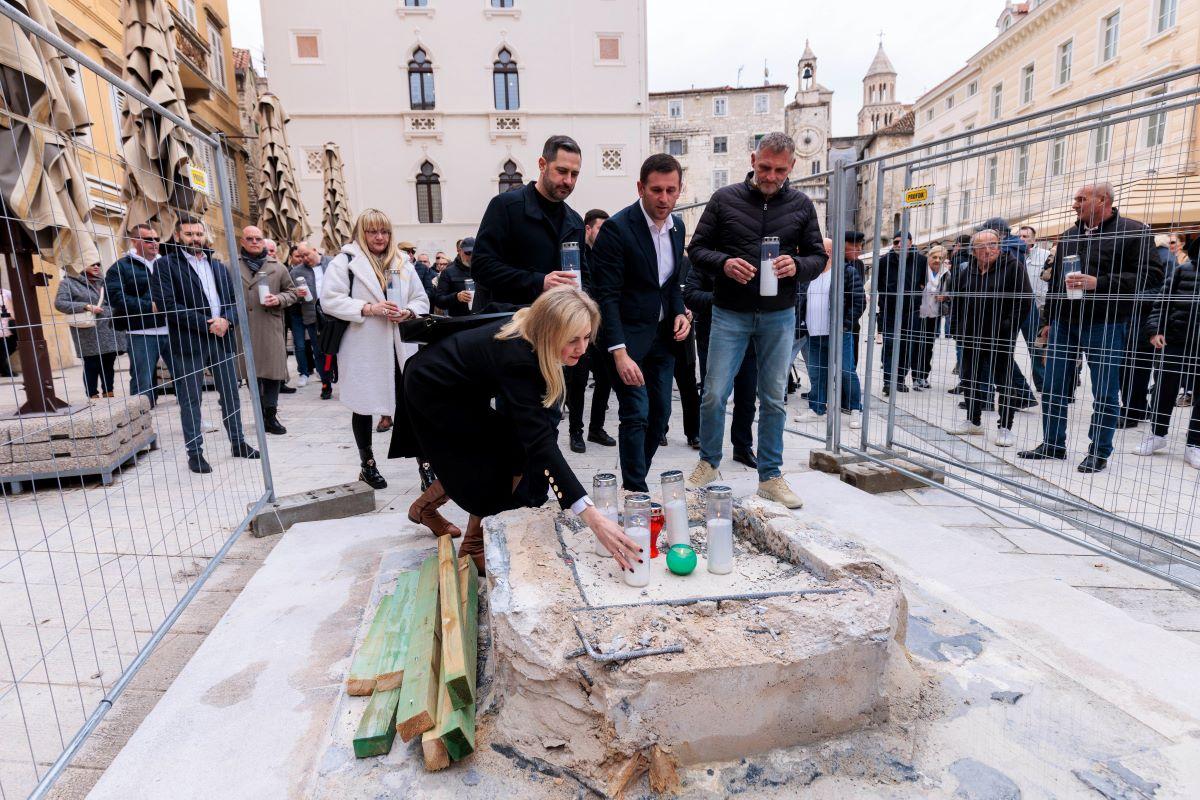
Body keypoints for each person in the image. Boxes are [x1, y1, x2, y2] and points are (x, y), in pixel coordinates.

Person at [403, 288, 635, 574]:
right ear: (550, 331)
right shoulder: (520, 359)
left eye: (587, 337)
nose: (582, 348)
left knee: (514, 450)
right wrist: (592, 517)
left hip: (464, 387)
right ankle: (473, 546)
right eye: (573, 340)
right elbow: (541, 443)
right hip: (434, 388)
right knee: (490, 463)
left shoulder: (537, 326)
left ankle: (425, 507)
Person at [685, 132, 824, 507]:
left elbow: (818, 258)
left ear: (791, 167)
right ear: (752, 159)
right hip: (729, 311)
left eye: (780, 170)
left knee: (774, 398)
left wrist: (795, 265)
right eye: (764, 167)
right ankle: (709, 463)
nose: (771, 176)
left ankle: (771, 476)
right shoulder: (723, 199)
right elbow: (696, 250)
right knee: (714, 392)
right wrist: (724, 264)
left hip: (779, 314)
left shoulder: (801, 205)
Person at [1019, 183, 1164, 473]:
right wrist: (1048, 321)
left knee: (1105, 392)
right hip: (1065, 324)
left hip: (1106, 323)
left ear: (1103, 201)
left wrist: (1100, 283)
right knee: (1053, 386)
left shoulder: (1135, 231)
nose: (1075, 204)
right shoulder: (1070, 235)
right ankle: (1053, 443)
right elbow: (1057, 282)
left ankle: (1099, 451)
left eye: (1081, 199)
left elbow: (1153, 276)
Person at [320, 209, 440, 505]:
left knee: (412, 406)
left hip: (400, 346)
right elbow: (330, 299)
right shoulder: (345, 261)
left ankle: (425, 466)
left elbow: (420, 298)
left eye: (384, 232)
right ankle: (367, 465)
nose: (379, 237)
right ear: (362, 233)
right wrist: (367, 308)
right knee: (362, 406)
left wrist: (409, 311)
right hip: (363, 346)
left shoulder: (402, 262)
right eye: (372, 231)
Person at [591, 153, 691, 492]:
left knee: (660, 415)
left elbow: (671, 283)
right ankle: (636, 489)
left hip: (663, 338)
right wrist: (618, 352)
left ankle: (635, 480)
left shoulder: (678, 228)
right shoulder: (617, 229)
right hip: (626, 340)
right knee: (636, 413)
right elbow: (607, 296)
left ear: (680, 190)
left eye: (671, 190)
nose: (664, 199)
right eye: (656, 190)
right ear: (640, 188)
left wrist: (679, 311)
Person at [152, 215, 259, 473]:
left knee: (231, 393)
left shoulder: (218, 265)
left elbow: (234, 301)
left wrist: (227, 322)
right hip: (188, 342)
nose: (195, 239)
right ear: (178, 236)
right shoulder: (165, 265)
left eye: (199, 234)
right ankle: (195, 453)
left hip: (221, 340)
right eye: (189, 234)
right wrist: (206, 323)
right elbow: (168, 305)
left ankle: (238, 442)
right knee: (191, 400)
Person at [472, 134, 586, 311]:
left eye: (575, 174)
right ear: (542, 164)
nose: (568, 181)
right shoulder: (506, 206)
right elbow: (481, 267)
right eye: (562, 171)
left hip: (559, 327)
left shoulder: (575, 221)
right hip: (512, 326)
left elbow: (585, 277)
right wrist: (539, 281)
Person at [943, 229, 1031, 446]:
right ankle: (973, 421)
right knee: (969, 378)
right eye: (981, 246)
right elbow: (958, 302)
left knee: (1003, 381)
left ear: (999, 246)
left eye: (992, 244)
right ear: (973, 251)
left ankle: (1005, 427)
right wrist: (957, 329)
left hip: (999, 336)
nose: (987, 250)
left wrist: (1008, 327)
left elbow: (1024, 301)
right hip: (970, 335)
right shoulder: (967, 270)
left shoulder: (1013, 267)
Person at [683, 257, 757, 466]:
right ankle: (709, 454)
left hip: (750, 337)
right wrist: (722, 298)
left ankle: (743, 447)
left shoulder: (749, 256)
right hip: (714, 337)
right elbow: (691, 295)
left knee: (747, 395)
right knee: (714, 396)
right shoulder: (706, 261)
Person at [1133, 241, 1200, 468]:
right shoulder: (1184, 270)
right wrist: (1155, 330)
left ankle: (1195, 444)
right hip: (1176, 339)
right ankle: (1157, 435)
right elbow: (1162, 302)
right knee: (1164, 389)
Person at [794, 238, 866, 428]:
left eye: (821, 250)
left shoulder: (845, 272)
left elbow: (858, 301)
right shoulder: (809, 274)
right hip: (813, 332)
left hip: (838, 333)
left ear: (830, 252)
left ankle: (855, 408)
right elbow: (799, 299)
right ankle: (817, 408)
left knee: (846, 371)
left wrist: (845, 324)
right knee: (817, 372)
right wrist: (800, 322)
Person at [236, 226, 298, 435]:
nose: (254, 242)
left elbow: (292, 293)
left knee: (273, 374)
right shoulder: (230, 266)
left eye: (258, 239)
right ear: (242, 242)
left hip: (270, 326)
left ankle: (270, 416)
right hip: (244, 329)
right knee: (251, 375)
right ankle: (259, 413)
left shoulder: (278, 267)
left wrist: (278, 299)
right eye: (250, 239)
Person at [563, 210, 616, 453]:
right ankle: (576, 432)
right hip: (580, 327)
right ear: (588, 229)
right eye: (600, 229)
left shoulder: (606, 255)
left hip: (601, 328)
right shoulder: (574, 255)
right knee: (578, 381)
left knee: (605, 379)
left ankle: (596, 428)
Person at [106, 222, 169, 405]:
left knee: (185, 376)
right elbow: (115, 297)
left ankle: (192, 420)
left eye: (157, 239)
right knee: (142, 381)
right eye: (148, 240)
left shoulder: (165, 263)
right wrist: (149, 306)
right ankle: (141, 420)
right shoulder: (120, 267)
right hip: (140, 331)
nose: (154, 243)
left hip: (171, 328)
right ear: (134, 241)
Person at [55, 262, 126, 400]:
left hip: (109, 327)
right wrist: (86, 306)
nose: (96, 267)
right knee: (92, 362)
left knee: (108, 361)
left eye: (98, 264)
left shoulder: (104, 281)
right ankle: (92, 394)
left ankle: (108, 392)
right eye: (91, 264)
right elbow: (60, 303)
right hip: (88, 330)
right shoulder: (68, 283)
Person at [876, 231, 927, 394]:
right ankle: (888, 381)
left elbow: (922, 283)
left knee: (906, 345)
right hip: (890, 310)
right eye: (896, 242)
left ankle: (899, 379)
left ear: (910, 243)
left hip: (911, 311)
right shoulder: (884, 261)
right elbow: (879, 284)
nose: (898, 245)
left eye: (902, 242)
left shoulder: (920, 260)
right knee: (890, 344)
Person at [288, 244, 332, 394]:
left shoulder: (332, 263)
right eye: (301, 256)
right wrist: (297, 296)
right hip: (312, 316)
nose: (305, 259)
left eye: (307, 254)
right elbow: (292, 295)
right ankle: (326, 384)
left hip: (336, 315)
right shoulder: (296, 272)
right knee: (319, 351)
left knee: (341, 350)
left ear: (314, 249)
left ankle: (341, 378)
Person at [1018, 225, 1051, 393]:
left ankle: (1042, 384)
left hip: (1036, 308)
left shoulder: (1045, 256)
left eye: (1026, 236)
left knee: (1036, 348)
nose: (1022, 239)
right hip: (1016, 307)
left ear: (1034, 239)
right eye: (1020, 236)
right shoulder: (1013, 255)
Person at [913, 244, 949, 390]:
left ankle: (924, 375)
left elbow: (949, 292)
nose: (937, 260)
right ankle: (916, 377)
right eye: (934, 257)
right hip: (919, 313)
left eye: (941, 258)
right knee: (916, 345)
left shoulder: (946, 273)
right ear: (928, 257)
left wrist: (945, 297)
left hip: (934, 314)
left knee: (928, 346)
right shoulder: (921, 270)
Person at [433, 237, 476, 318]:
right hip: (459, 320)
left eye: (474, 252)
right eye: (468, 253)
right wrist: (456, 297)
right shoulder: (448, 272)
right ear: (460, 252)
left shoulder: (483, 270)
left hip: (482, 318)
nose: (471, 256)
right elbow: (439, 301)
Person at [0, 285, 14, 377]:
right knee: (2, 350)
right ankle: (6, 371)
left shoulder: (5, 293)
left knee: (12, 345)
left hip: (8, 325)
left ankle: (5, 370)